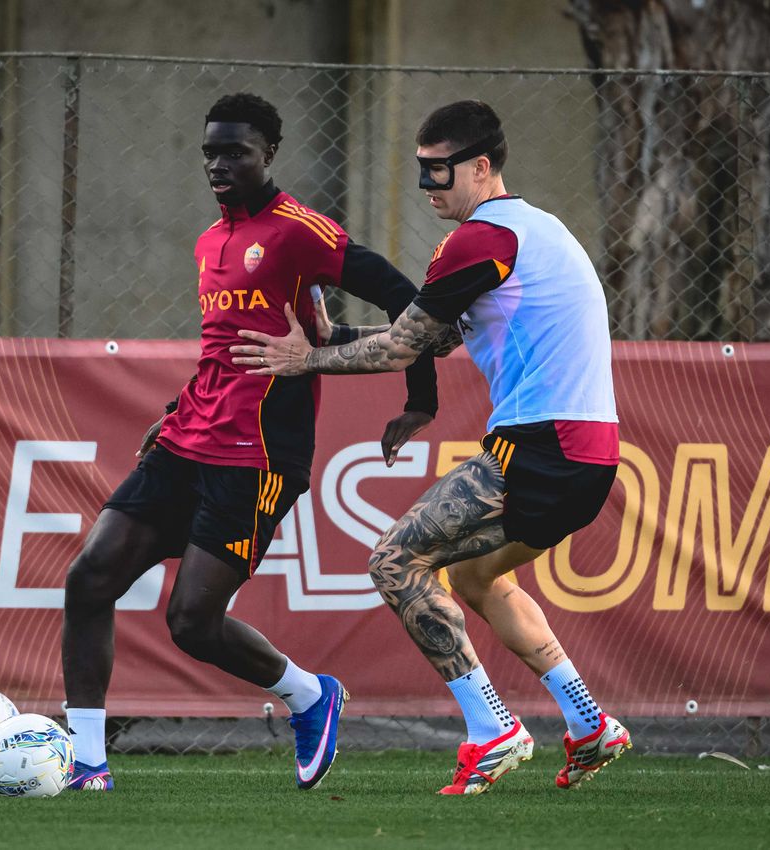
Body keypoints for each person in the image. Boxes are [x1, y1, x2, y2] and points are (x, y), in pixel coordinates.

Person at [232, 99, 632, 795]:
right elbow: (436, 338)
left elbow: (403, 347)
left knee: (394, 562)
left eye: (439, 170)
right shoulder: (532, 229)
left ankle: (492, 727)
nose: (426, 186)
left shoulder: (480, 239)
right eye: (420, 169)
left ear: (481, 167)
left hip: (541, 447)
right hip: (587, 455)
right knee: (476, 578)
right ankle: (588, 720)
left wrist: (307, 360)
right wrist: (333, 339)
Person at [60, 93, 439, 791]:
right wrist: (177, 409)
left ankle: (309, 696)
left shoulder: (298, 231)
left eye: (235, 151)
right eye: (210, 152)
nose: (219, 164)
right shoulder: (210, 240)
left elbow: (405, 296)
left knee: (191, 623)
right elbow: (223, 351)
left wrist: (420, 401)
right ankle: (85, 763)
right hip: (187, 439)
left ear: (269, 153)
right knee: (89, 579)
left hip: (257, 457)